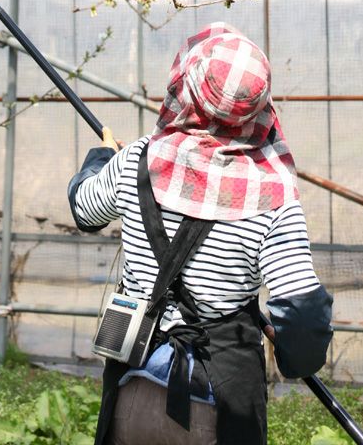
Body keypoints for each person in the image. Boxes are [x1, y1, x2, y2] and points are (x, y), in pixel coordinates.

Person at [67, 22, 333, 445]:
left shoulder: (137, 159)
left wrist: (103, 158)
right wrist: (293, 355)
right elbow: (300, 310)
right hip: (221, 405)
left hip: (131, 391)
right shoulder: (272, 194)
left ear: (184, 86)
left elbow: (85, 209)